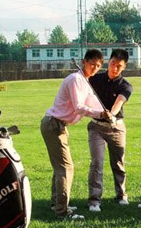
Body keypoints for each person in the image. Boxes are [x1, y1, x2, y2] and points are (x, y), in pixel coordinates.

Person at [40, 49, 105, 218]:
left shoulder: (85, 82)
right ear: (84, 62)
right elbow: (79, 108)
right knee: (66, 168)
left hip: (59, 125)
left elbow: (93, 104)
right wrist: (101, 114)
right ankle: (62, 211)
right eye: (92, 64)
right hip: (54, 124)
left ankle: (57, 204)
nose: (95, 68)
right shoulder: (76, 79)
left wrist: (108, 114)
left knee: (60, 167)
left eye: (98, 66)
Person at [87, 49, 133, 212]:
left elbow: (119, 102)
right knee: (97, 163)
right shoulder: (94, 79)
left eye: (119, 66)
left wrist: (111, 114)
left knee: (118, 162)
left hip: (116, 127)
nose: (114, 68)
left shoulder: (126, 86)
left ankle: (121, 195)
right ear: (109, 61)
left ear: (124, 67)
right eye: (113, 63)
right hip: (96, 127)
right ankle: (94, 200)